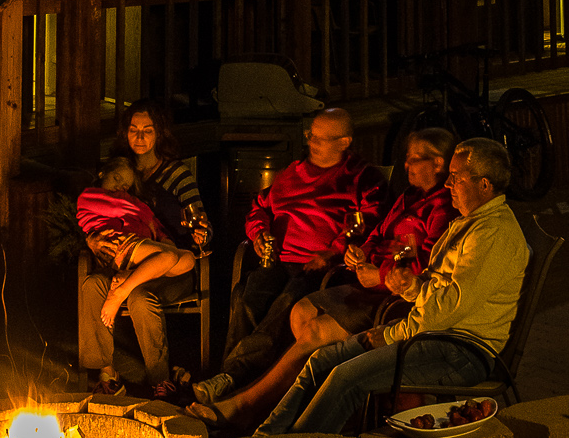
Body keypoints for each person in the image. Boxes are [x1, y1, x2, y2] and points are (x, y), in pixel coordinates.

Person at [187, 127, 458, 432]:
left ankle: (248, 405)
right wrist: (362, 253)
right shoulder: (407, 196)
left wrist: (345, 257)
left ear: (438, 163)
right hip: (340, 273)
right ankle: (269, 392)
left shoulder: (433, 204)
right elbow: (377, 233)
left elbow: (423, 264)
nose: (406, 165)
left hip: (388, 294)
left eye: (415, 159)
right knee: (281, 307)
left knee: (310, 327)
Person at [256, 137, 529, 437]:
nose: (448, 184)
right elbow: (438, 289)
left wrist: (390, 334)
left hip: (461, 350)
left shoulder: (492, 234)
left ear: (485, 185)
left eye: (456, 177)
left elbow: (446, 310)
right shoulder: (468, 223)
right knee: (322, 360)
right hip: (432, 334)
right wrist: (412, 285)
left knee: (346, 378)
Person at [191, 107, 383, 405]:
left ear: (344, 142)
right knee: (246, 296)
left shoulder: (362, 179)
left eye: (321, 138)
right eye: (311, 136)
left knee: (283, 305)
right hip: (280, 258)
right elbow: (260, 206)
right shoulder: (293, 173)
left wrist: (332, 252)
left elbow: (366, 225)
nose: (312, 143)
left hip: (321, 267)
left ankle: (233, 381)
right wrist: (258, 233)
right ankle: (231, 378)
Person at [76, 155, 198, 402]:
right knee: (92, 285)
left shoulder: (176, 178)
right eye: (118, 180)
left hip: (151, 264)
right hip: (127, 256)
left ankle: (159, 378)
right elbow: (113, 210)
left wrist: (166, 236)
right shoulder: (117, 200)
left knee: (183, 260)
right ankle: (106, 373)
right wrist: (90, 239)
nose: (122, 188)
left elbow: (166, 235)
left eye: (127, 186)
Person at [113, 99, 213, 256]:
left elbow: (200, 219)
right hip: (130, 253)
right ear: (125, 133)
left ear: (158, 134)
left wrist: (202, 233)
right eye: (134, 130)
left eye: (147, 131)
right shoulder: (118, 174)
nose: (139, 137)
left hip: (172, 254)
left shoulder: (176, 173)